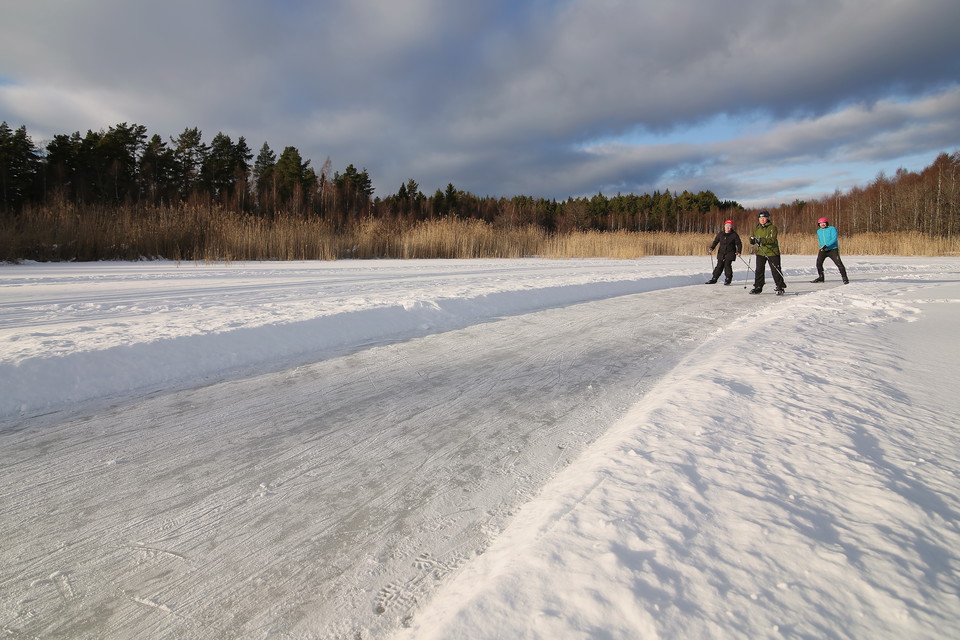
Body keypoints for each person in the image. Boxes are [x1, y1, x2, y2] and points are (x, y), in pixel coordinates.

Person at [748, 210, 787, 295]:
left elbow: (772, 239)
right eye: (761, 218)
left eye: (764, 218)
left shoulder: (772, 228)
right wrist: (752, 240)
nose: (762, 220)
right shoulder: (756, 229)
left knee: (775, 270)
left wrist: (761, 240)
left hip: (772, 252)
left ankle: (780, 286)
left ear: (768, 219)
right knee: (759, 270)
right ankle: (758, 286)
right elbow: (752, 237)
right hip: (760, 252)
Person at [811, 217, 849, 284]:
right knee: (818, 263)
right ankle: (821, 277)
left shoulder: (832, 229)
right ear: (818, 224)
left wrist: (827, 245)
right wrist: (821, 247)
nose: (822, 224)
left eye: (824, 223)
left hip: (832, 249)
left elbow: (834, 239)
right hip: (823, 250)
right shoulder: (818, 231)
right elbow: (820, 240)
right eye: (820, 223)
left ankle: (845, 278)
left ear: (826, 223)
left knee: (839, 263)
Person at [705, 219, 742, 285]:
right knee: (719, 265)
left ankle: (728, 279)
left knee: (727, 265)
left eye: (730, 226)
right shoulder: (721, 234)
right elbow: (716, 241)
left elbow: (739, 243)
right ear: (724, 226)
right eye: (727, 226)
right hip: (721, 253)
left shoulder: (734, 234)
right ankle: (714, 278)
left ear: (732, 227)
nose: (728, 227)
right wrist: (711, 248)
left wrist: (739, 251)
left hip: (730, 252)